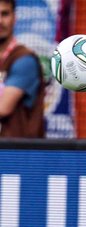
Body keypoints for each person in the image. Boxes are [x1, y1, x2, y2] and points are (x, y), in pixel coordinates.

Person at [0, 0, 45, 138]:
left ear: (15, 17)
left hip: (19, 154)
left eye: (5, 14)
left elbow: (3, 108)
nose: (0, 21)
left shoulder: (24, 60)